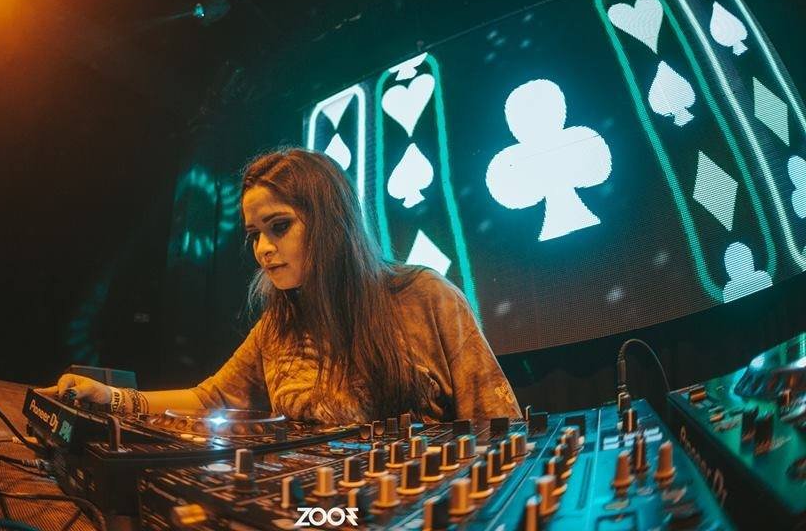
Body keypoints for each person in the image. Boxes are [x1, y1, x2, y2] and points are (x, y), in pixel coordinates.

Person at [40, 148, 520, 424]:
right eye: (254, 235)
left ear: (330, 223)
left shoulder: (426, 297)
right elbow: (211, 399)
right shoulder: (278, 325)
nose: (263, 249)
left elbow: (501, 431)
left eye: (279, 226)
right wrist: (113, 398)